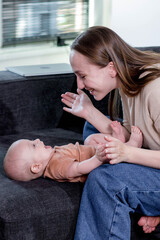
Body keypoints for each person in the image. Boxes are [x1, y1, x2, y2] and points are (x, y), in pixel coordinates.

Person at [61, 26, 160, 239]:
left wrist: (127, 153)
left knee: (104, 181)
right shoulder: (128, 82)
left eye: (82, 75)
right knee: (92, 126)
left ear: (111, 68)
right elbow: (140, 131)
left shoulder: (155, 89)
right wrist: (89, 112)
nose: (79, 84)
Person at [3, 121, 141, 182]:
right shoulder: (56, 166)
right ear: (36, 167)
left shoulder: (52, 157)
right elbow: (78, 168)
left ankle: (117, 141)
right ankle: (131, 145)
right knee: (111, 157)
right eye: (33, 145)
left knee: (90, 139)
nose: (38, 140)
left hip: (90, 152)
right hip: (100, 163)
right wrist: (98, 159)